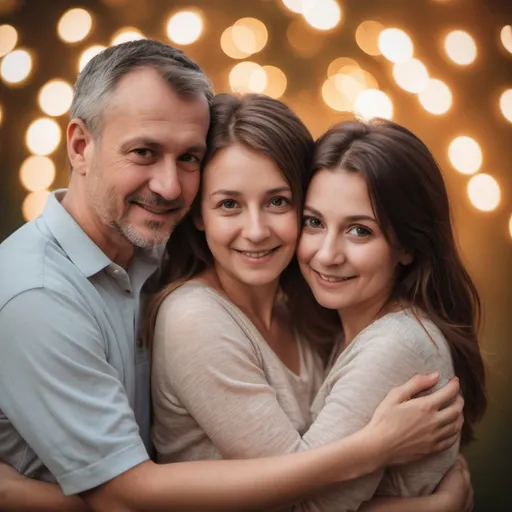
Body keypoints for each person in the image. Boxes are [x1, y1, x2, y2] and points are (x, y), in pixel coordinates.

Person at [0, 40, 464, 512]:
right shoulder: (40, 295)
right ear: (80, 146)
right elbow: (122, 497)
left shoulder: (152, 256)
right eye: (143, 152)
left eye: (188, 159)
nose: (168, 186)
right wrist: (386, 461)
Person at [147, 94, 468, 511]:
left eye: (278, 201)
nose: (257, 230)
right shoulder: (195, 318)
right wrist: (395, 467)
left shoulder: (309, 313)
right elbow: (302, 506)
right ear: (198, 214)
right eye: (229, 204)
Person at [291, 118, 487, 510]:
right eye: (314, 222)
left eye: (359, 231)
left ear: (408, 246)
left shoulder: (394, 347)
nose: (327, 254)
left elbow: (299, 507)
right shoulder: (354, 326)